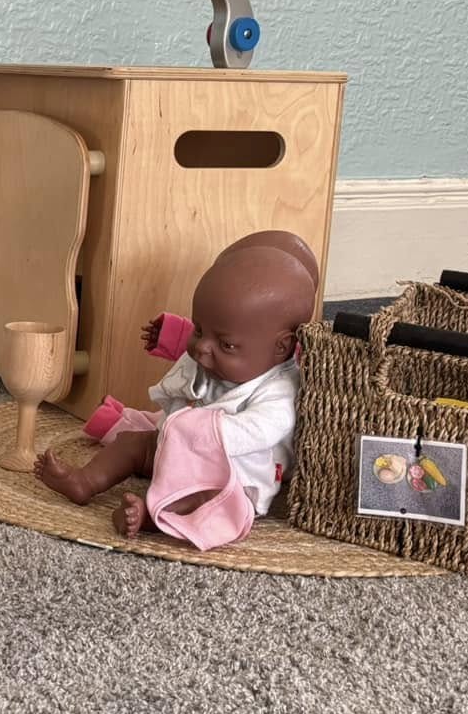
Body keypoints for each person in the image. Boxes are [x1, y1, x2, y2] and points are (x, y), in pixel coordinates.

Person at [34, 233, 318, 549]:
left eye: (225, 344)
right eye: (199, 330)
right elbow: (197, 352)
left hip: (228, 474)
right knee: (133, 445)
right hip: (177, 448)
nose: (202, 348)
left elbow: (261, 430)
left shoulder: (280, 390)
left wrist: (202, 431)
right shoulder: (230, 353)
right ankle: (83, 482)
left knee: (206, 500)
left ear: (281, 346)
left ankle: (153, 518)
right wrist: (181, 338)